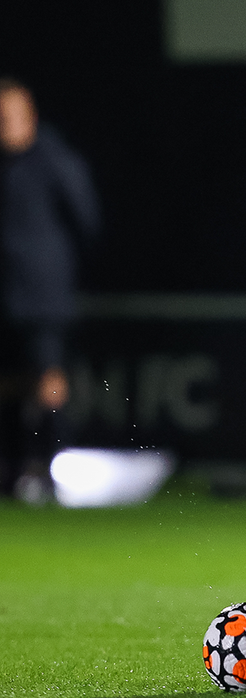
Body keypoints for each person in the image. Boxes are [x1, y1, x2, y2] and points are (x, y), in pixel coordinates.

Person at [0, 78, 99, 503]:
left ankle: (50, 469)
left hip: (43, 294)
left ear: (30, 118)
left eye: (8, 117)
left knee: (48, 380)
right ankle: (13, 471)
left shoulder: (55, 160)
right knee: (8, 384)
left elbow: (86, 221)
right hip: (3, 295)